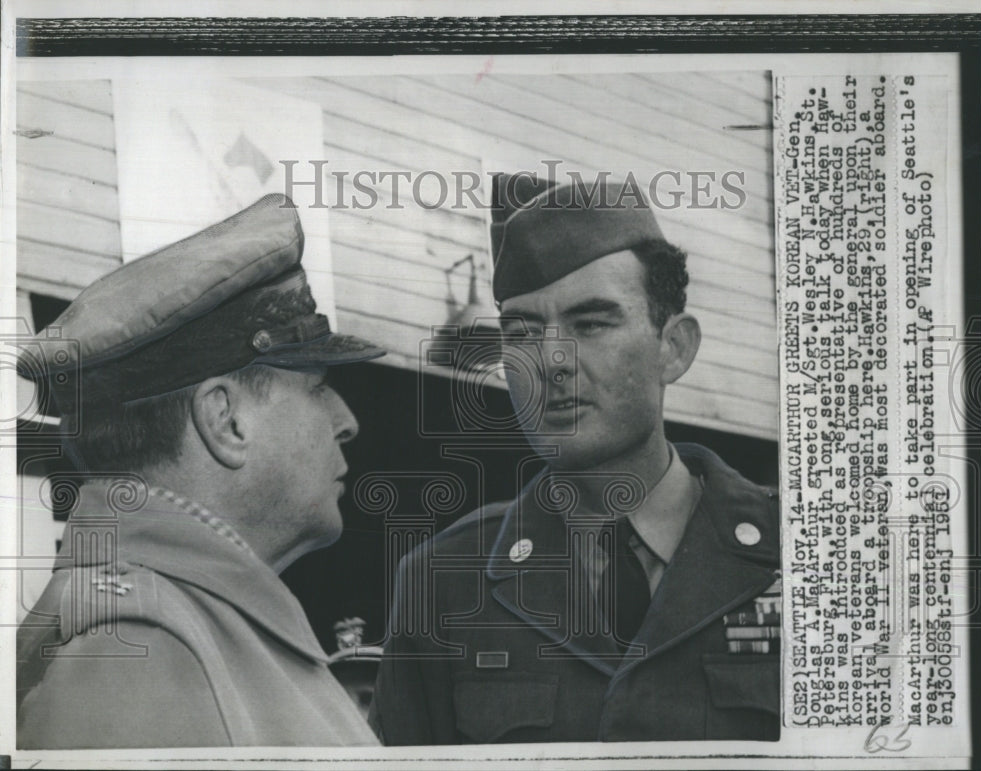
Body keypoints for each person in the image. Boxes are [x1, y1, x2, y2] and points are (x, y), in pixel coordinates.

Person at [370, 174, 781, 744]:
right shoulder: (440, 584)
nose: (552, 362)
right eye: (522, 332)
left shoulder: (805, 554)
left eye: (591, 324)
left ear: (674, 347)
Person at [16, 194, 384, 748]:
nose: (347, 420)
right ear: (225, 420)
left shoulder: (184, 628)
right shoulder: (138, 650)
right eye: (319, 387)